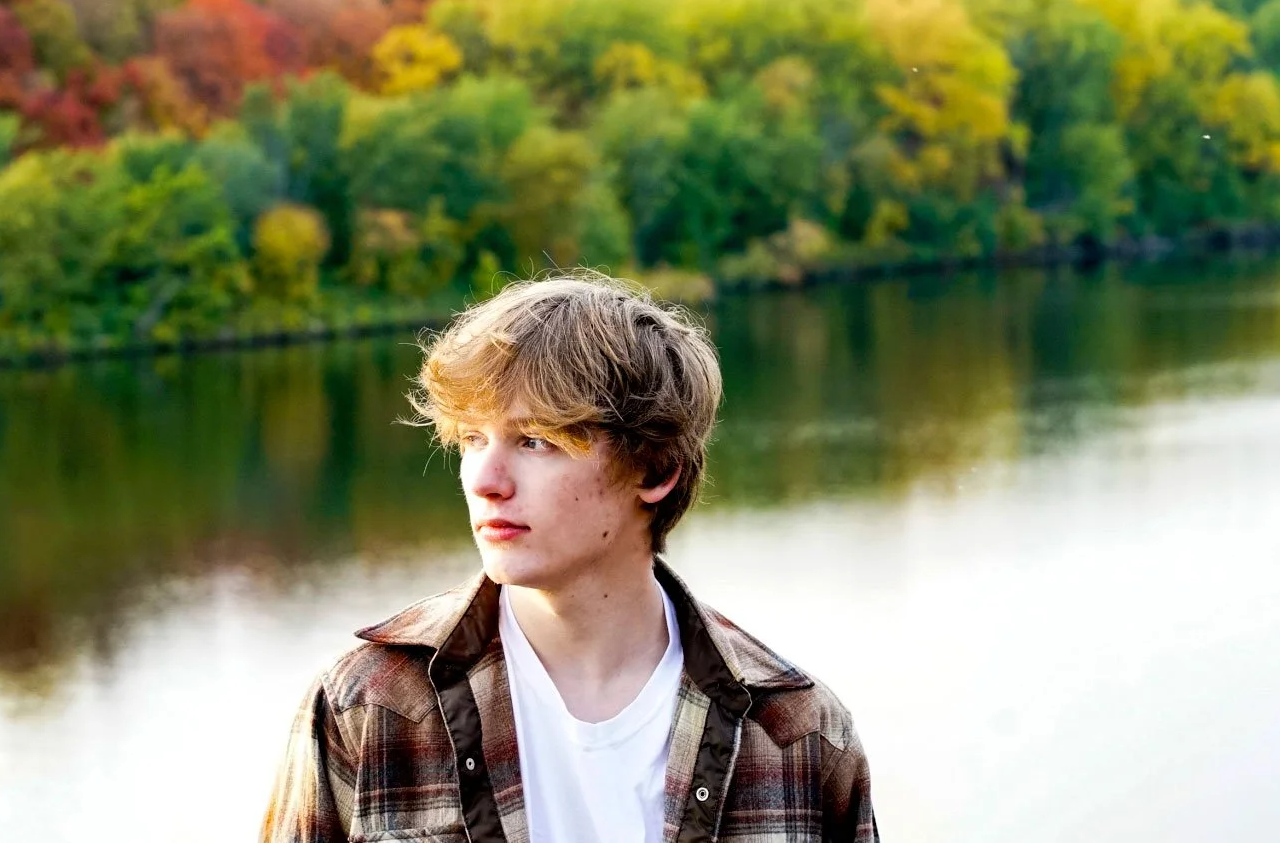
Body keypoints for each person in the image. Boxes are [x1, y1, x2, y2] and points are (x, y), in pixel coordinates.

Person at [262, 272, 878, 842]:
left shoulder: (797, 733)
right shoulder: (368, 706)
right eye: (474, 438)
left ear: (655, 468)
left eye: (535, 441)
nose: (485, 480)